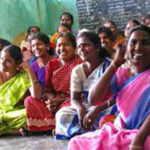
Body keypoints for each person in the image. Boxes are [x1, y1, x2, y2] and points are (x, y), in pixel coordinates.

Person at [68, 25, 150, 150]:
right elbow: (93, 100)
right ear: (126, 49)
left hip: (145, 135)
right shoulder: (123, 73)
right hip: (121, 131)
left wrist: (139, 139)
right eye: (133, 43)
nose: (138, 47)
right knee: (76, 143)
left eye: (145, 43)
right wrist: (115, 64)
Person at [55, 30, 117, 139]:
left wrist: (97, 109)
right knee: (62, 115)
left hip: (107, 106)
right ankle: (97, 132)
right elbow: (74, 99)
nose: (82, 49)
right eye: (79, 47)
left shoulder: (110, 66)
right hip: (87, 106)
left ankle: (89, 132)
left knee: (117, 114)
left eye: (86, 45)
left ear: (97, 47)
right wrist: (80, 109)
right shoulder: (77, 70)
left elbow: (117, 96)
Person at [24, 32, 82, 132]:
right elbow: (48, 89)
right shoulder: (52, 64)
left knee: (67, 112)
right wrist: (51, 100)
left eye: (66, 44)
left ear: (74, 48)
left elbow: (84, 90)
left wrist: (62, 101)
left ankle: (53, 125)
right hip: (56, 100)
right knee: (29, 100)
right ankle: (54, 124)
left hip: (74, 99)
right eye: (59, 45)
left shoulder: (80, 62)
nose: (62, 48)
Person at [0, 45, 42, 135]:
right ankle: (12, 131)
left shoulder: (24, 76)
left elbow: (36, 96)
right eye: (1, 58)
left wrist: (29, 70)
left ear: (18, 63)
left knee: (29, 114)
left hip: (15, 113)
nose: (2, 63)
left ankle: (7, 129)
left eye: (8, 61)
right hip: (3, 112)